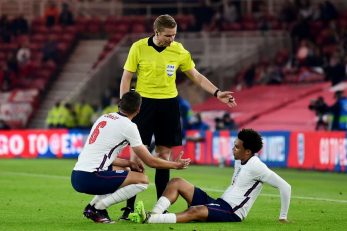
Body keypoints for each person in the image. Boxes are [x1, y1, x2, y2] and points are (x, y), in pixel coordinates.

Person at [119, 14, 236, 219]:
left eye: (174, 35)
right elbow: (126, 77)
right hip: (143, 104)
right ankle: (129, 208)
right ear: (156, 32)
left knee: (164, 157)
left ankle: (159, 209)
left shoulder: (179, 50)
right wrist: (124, 110)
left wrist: (217, 93)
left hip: (169, 106)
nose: (171, 39)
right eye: (167, 35)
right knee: (137, 157)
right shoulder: (138, 47)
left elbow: (196, 76)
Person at [71, 91, 191, 224]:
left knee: (127, 170)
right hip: (91, 177)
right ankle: (99, 208)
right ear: (139, 109)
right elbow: (150, 161)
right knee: (142, 181)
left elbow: (104, 156)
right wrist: (176, 165)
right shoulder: (129, 126)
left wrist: (130, 163)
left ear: (119, 105)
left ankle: (91, 207)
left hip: (76, 176)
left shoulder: (104, 117)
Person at [129, 128, 291, 224]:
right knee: (176, 182)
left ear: (248, 151)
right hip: (219, 203)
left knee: (195, 210)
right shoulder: (240, 160)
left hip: (232, 213)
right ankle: (155, 214)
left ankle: (151, 219)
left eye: (237, 147)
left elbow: (285, 186)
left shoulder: (257, 166)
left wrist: (283, 217)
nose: (233, 149)